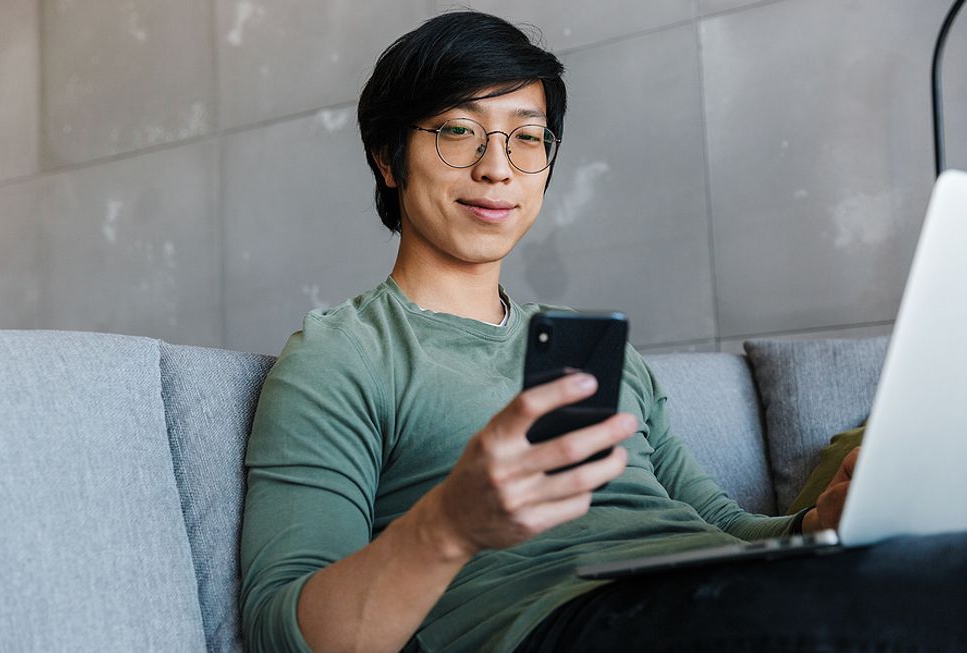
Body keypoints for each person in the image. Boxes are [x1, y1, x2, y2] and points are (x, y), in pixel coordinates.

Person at [239, 11, 967, 653]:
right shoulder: (343, 354)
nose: (498, 168)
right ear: (386, 157)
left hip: (710, 592)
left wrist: (816, 521)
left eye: (527, 138)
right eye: (458, 131)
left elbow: (712, 522)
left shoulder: (595, 354)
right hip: (557, 620)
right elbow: (286, 631)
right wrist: (449, 525)